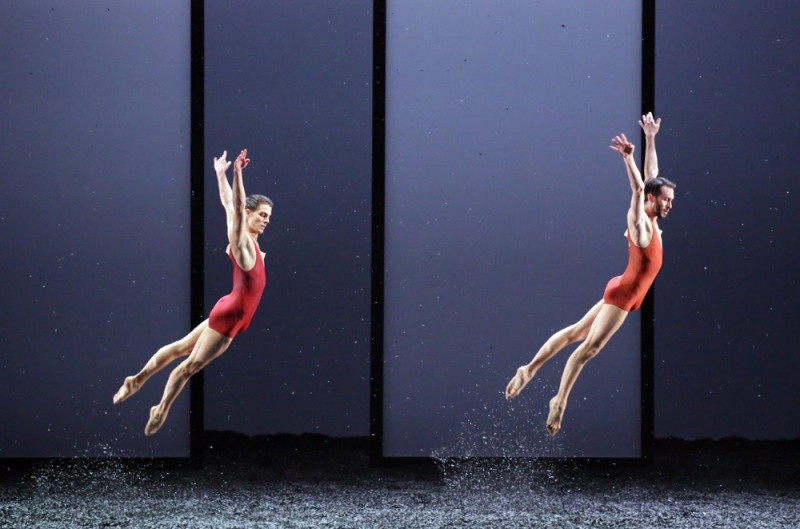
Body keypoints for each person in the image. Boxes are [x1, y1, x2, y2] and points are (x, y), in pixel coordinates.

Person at [505, 113, 675, 435]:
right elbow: (640, 188)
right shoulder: (640, 224)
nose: (670, 205)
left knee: (574, 333)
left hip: (623, 288)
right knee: (587, 350)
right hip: (623, 297)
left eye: (671, 201)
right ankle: (559, 402)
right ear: (652, 200)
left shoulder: (653, 216)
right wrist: (628, 160)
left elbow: (652, 176)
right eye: (665, 200)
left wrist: (651, 139)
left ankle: (528, 370)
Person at [113, 149, 273, 436]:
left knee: (180, 347)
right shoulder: (243, 244)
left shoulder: (251, 242)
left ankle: (135, 380)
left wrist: (219, 174)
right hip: (230, 317)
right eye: (262, 215)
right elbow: (235, 206)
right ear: (248, 214)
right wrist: (236, 173)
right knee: (188, 367)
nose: (266, 220)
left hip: (228, 307)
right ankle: (160, 410)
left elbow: (227, 203)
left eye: (268, 216)